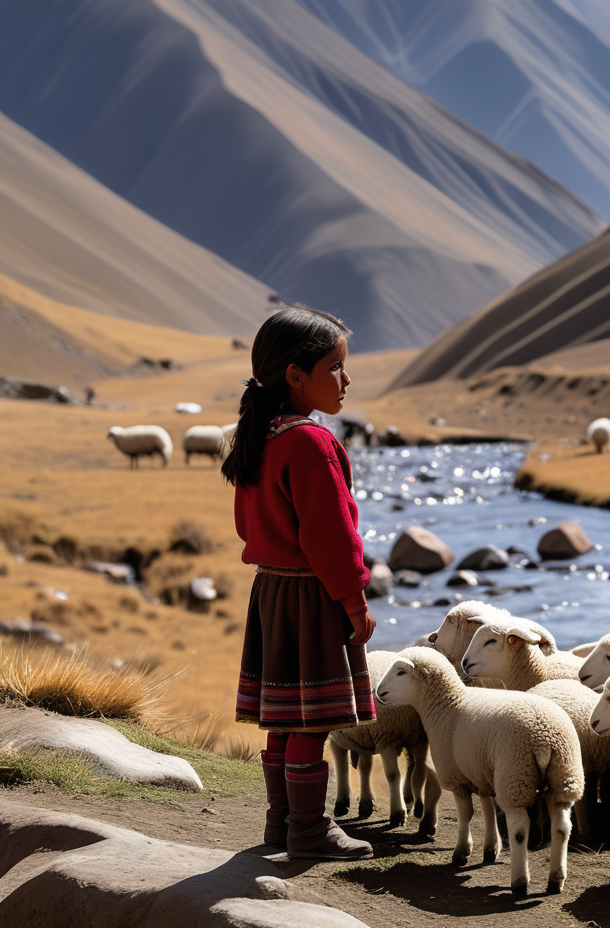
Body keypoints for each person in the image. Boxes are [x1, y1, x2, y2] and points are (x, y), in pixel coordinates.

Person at [222, 307, 376, 860]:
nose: (345, 379)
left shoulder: (259, 435)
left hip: (271, 590)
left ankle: (281, 823)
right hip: (312, 593)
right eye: (334, 366)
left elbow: (249, 525)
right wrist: (354, 600)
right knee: (316, 718)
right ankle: (309, 831)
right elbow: (332, 536)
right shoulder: (310, 442)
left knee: (285, 715)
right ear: (294, 374)